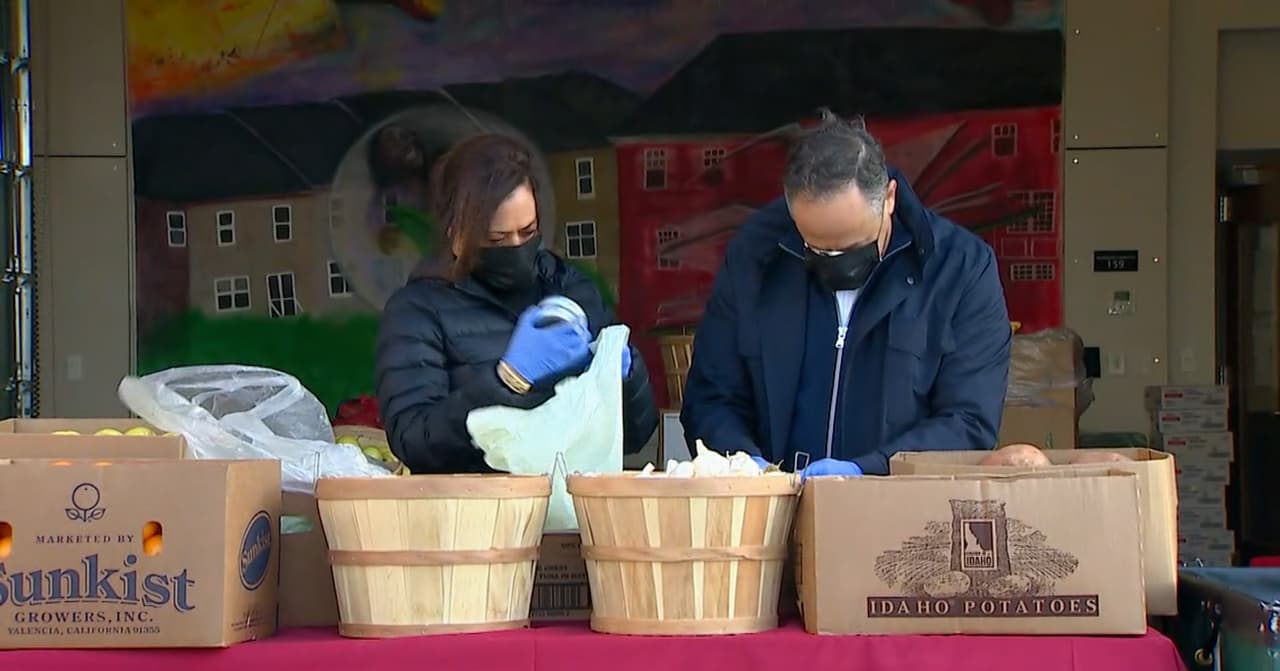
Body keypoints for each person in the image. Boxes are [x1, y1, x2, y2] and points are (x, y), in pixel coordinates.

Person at [680, 112, 1012, 478]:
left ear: (888, 198)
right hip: (771, 511)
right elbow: (710, 397)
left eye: (854, 249)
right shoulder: (756, 255)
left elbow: (969, 421)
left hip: (898, 509)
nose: (837, 267)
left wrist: (868, 470)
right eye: (816, 249)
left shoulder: (959, 269)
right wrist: (743, 463)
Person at [376, 133, 658, 473]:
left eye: (527, 232)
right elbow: (413, 440)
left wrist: (625, 376)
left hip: (568, 512)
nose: (516, 248)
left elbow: (634, 436)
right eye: (496, 238)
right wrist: (506, 381)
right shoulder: (417, 310)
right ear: (455, 231)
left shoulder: (571, 290)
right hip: (476, 515)